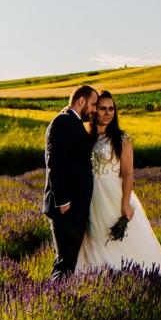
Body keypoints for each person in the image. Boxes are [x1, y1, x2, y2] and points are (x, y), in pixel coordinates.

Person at [75, 90, 161, 276]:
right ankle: (99, 276)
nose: (107, 113)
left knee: (120, 239)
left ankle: (132, 275)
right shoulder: (86, 137)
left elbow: (129, 174)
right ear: (94, 111)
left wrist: (125, 204)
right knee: (95, 237)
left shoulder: (122, 138)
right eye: (102, 108)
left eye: (111, 109)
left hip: (114, 195)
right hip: (91, 196)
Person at [42, 85, 97, 281]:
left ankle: (55, 298)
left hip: (73, 206)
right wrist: (63, 201)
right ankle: (52, 301)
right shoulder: (63, 122)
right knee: (65, 262)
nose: (95, 110)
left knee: (69, 260)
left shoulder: (72, 122)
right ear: (81, 102)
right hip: (66, 208)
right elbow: (54, 163)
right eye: (93, 104)